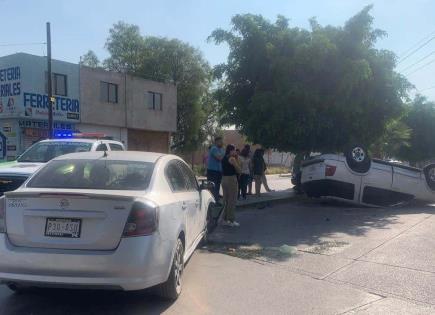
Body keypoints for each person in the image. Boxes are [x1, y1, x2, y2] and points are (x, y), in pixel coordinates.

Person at [221, 144, 241, 227]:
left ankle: (224, 219)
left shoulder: (224, 158)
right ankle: (231, 220)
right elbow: (239, 170)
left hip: (224, 178)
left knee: (226, 200)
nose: (235, 152)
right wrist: (237, 159)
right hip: (231, 179)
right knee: (232, 200)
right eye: (234, 150)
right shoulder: (232, 158)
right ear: (231, 150)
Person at [206, 137, 225, 202]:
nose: (222, 143)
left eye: (222, 141)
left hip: (219, 171)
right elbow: (219, 158)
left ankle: (216, 201)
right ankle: (211, 201)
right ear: (216, 142)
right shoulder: (214, 148)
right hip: (212, 171)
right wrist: (223, 155)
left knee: (217, 186)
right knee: (212, 186)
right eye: (220, 141)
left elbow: (222, 157)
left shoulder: (222, 149)